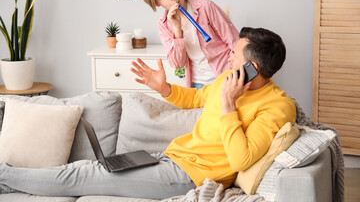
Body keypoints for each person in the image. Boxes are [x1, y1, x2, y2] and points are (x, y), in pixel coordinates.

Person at [0, 27, 296, 200]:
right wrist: (165, 88)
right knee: (92, 166)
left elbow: (241, 159)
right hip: (169, 157)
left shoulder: (277, 106)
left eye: (234, 54)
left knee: (79, 173)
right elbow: (197, 98)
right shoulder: (226, 80)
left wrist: (231, 104)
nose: (229, 57)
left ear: (252, 69)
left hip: (190, 177)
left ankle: (4, 175)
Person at [140, 0, 239, 89]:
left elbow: (234, 41)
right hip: (197, 84)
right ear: (157, 3)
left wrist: (237, 74)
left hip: (226, 76)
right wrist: (177, 30)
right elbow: (178, 63)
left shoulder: (205, 6)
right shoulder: (163, 24)